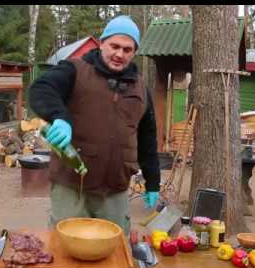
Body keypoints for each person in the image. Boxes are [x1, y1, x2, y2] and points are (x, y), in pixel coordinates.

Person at [29, 15, 160, 235]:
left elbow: (148, 139)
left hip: (115, 190)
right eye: (114, 46)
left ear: (134, 52)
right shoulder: (74, 70)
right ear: (102, 43)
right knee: (66, 247)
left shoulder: (141, 89)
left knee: (115, 249)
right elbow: (41, 89)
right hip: (71, 185)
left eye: (127, 49)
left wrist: (153, 182)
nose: (119, 54)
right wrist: (59, 116)